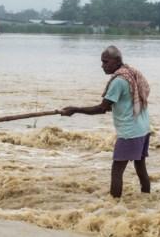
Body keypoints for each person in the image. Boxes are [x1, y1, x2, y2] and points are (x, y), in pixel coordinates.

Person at [60, 46, 151, 198]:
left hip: (130, 132)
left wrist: (75, 110)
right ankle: (147, 199)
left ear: (116, 61)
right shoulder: (131, 73)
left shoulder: (119, 81)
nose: (102, 66)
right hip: (143, 128)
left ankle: (113, 207)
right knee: (140, 167)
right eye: (102, 62)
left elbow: (102, 108)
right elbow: (121, 103)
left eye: (105, 62)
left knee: (116, 171)